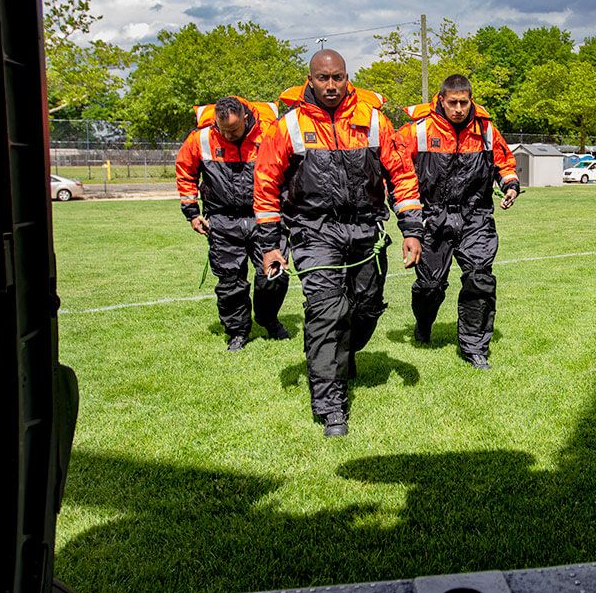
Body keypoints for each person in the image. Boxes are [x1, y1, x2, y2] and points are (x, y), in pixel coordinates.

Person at [254, 49, 423, 437]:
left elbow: (402, 176)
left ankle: (343, 357)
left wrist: (412, 229)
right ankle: (331, 405)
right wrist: (270, 244)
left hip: (367, 230)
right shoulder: (289, 125)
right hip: (315, 232)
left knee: (365, 308)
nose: (331, 85)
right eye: (323, 78)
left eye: (338, 77)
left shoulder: (374, 121)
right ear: (309, 80)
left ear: (348, 78)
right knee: (326, 312)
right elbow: (265, 186)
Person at [394, 74, 519, 369]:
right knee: (430, 286)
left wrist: (511, 185)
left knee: (480, 278)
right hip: (432, 217)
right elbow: (395, 170)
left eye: (464, 102)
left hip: (476, 216)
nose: (459, 108)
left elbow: (504, 162)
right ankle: (424, 323)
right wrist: (408, 215)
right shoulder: (417, 132)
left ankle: (475, 348)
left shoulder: (486, 130)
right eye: (453, 103)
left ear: (471, 100)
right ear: (441, 99)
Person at [176, 95, 290, 351]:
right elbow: (185, 171)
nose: (227, 135)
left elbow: (288, 169)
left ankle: (267, 319)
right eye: (223, 129)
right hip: (223, 219)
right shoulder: (202, 138)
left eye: (234, 129)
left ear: (246, 118)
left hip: (265, 217)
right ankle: (238, 331)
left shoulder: (269, 134)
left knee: (273, 275)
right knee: (230, 281)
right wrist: (192, 212)